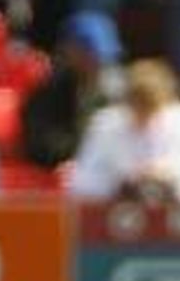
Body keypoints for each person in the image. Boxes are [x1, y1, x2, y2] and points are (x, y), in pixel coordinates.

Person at [68, 58, 180, 203]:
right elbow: (79, 184)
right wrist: (122, 181)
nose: (144, 116)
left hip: (177, 224)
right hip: (117, 225)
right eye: (138, 106)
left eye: (150, 108)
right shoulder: (107, 124)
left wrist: (170, 175)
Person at [21, 11, 126, 169]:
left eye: (102, 56)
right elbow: (41, 144)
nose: (97, 63)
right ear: (68, 50)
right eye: (88, 53)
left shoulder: (122, 93)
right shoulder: (48, 94)